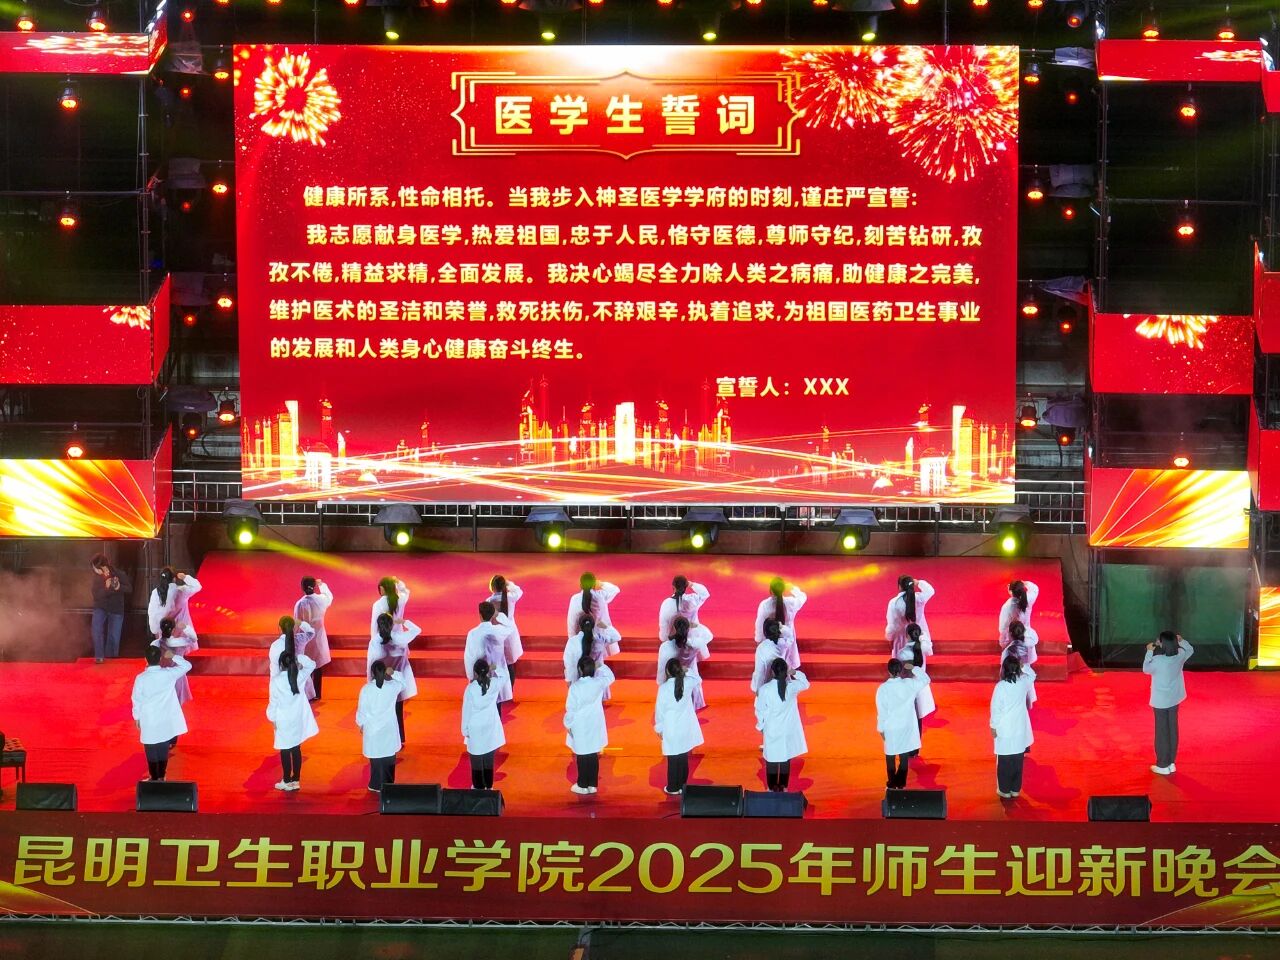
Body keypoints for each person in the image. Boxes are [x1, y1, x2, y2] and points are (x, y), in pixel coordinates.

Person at [131, 645, 192, 782]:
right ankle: (161, 776)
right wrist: (173, 656)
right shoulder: (168, 674)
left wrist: (137, 717)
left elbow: (136, 699)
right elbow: (187, 666)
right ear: (160, 658)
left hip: (149, 718)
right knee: (163, 745)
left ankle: (153, 777)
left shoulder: (141, 678)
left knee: (150, 746)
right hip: (165, 717)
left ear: (145, 659)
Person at [267, 645, 317, 791]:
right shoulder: (299, 676)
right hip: (297, 719)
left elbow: (273, 703)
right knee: (296, 748)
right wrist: (298, 657)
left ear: (281, 665)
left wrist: (272, 718)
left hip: (283, 719)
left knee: (285, 749)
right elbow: (311, 664)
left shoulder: (276, 681)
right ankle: (295, 780)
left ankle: (287, 780)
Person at [755, 658, 810, 792]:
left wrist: (760, 726)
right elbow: (806, 683)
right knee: (785, 757)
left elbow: (760, 709)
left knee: (772, 759)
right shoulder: (792, 687)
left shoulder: (765, 689)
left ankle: (771, 789)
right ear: (786, 671)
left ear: (772, 672)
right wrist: (794, 672)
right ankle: (784, 787)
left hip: (772, 730)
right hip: (787, 730)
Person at [875, 658, 930, 790]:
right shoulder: (909, 684)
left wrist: (880, 729)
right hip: (906, 726)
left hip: (890, 727)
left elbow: (882, 711)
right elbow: (926, 679)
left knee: (890, 755)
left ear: (888, 671)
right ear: (901, 671)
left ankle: (892, 784)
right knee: (904, 755)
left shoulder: (883, 689)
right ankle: (900, 784)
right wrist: (913, 668)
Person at [1144, 631, 1194, 775]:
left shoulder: (1158, 660)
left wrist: (1149, 652)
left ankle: (1162, 764)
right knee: (1172, 729)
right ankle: (1171, 762)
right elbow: (1190, 650)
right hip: (1174, 699)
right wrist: (1182, 641)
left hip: (1161, 701)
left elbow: (1146, 668)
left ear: (1162, 644)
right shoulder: (1180, 655)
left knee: (1162, 732)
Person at [368, 612, 421, 745]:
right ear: (391, 625)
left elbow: (371, 664)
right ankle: (399, 738)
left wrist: (370, 683)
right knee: (397, 712)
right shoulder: (400, 638)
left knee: (383, 712)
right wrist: (403, 622)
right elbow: (417, 630)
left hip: (381, 683)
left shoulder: (375, 642)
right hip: (398, 683)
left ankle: (385, 740)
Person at [565, 656, 615, 795]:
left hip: (580, 723)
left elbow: (571, 708)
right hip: (594, 722)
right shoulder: (598, 683)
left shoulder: (575, 687)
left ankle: (582, 784)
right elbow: (610, 676)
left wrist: (568, 724)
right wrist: (601, 665)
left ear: (580, 670)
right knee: (593, 752)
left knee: (582, 754)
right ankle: (592, 784)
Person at [990, 654, 1036, 798]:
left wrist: (993, 725)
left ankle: (1004, 790)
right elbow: (1033, 675)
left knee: (1004, 760)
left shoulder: (1001, 687)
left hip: (1004, 728)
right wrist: (1024, 667)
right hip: (1020, 728)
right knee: (1017, 759)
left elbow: (996, 709)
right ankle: (1015, 789)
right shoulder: (1023, 683)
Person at [655, 659, 703, 795]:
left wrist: (659, 727)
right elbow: (697, 679)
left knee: (673, 758)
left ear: (667, 672)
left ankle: (673, 787)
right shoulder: (687, 683)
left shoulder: (663, 688)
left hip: (671, 726)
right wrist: (688, 670)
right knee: (683, 756)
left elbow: (660, 710)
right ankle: (682, 785)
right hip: (685, 726)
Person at [356, 661, 403, 793]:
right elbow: (403, 682)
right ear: (385, 671)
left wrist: (361, 724)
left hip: (372, 729)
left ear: (372, 673)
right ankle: (388, 784)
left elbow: (362, 710)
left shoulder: (366, 689)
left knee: (375, 758)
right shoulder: (392, 686)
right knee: (389, 757)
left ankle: (375, 784)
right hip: (389, 729)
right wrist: (394, 673)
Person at [461, 660, 504, 790]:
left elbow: (466, 710)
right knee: (489, 759)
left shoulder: (471, 689)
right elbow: (504, 676)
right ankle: (489, 788)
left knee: (476, 761)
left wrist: (464, 730)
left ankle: (478, 789)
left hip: (475, 728)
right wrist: (495, 667)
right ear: (487, 671)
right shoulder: (494, 684)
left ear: (475, 673)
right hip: (490, 727)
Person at [464, 602, 515, 707]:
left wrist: (471, 676)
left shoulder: (472, 633)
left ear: (480, 615)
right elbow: (511, 627)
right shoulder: (499, 631)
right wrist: (498, 615)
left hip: (480, 675)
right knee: (496, 705)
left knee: (481, 705)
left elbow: (469, 657)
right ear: (492, 615)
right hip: (496, 674)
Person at [657, 616, 711, 710]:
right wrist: (696, 626)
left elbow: (662, 667)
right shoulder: (694, 644)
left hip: (674, 680)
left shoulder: (667, 646)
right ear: (688, 628)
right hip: (690, 676)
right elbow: (708, 636)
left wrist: (661, 682)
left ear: (674, 628)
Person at [294, 577, 333, 701]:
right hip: (319, 635)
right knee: (318, 665)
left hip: (306, 638)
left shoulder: (300, 604)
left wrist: (295, 639)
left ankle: (308, 693)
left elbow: (297, 623)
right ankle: (317, 693)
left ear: (302, 587)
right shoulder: (321, 600)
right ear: (314, 586)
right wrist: (322, 585)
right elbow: (329, 596)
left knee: (306, 665)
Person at [753, 578, 807, 670]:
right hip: (787, 640)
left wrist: (758, 640)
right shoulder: (790, 603)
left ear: (770, 590)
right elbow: (802, 597)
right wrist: (793, 589)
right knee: (787, 662)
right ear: (783, 589)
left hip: (770, 640)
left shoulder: (765, 605)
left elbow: (759, 624)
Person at [487, 575, 525, 698]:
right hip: (509, 636)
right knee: (509, 665)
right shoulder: (510, 597)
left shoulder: (489, 601)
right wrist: (509, 583)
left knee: (496, 665)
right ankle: (510, 691)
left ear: (492, 587)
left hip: (496, 637)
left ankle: (498, 692)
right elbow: (519, 590)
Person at [900, 624, 936, 749]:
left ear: (907, 635)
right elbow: (928, 647)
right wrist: (923, 636)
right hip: (919, 687)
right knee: (918, 717)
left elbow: (905, 672)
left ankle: (908, 746)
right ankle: (915, 748)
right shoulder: (922, 648)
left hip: (908, 688)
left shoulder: (904, 652)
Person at [90, 554, 132, 663]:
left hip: (116, 607)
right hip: (101, 606)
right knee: (96, 629)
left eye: (95, 568)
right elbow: (96, 595)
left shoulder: (118, 573)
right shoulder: (96, 578)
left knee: (114, 635)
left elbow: (129, 588)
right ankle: (99, 656)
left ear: (103, 567)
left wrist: (118, 587)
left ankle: (111, 660)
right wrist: (106, 588)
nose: (94, 570)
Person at [562, 614, 615, 700]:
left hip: (577, 680)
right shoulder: (599, 639)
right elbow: (616, 637)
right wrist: (605, 626)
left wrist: (569, 680)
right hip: (596, 678)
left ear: (579, 626)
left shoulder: (572, 641)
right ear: (593, 625)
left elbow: (568, 663)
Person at [567, 573, 622, 655]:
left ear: (581, 585)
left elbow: (572, 623)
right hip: (600, 632)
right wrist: (601, 584)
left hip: (583, 638)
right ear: (594, 584)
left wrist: (572, 642)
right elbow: (615, 589)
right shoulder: (600, 596)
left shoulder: (575, 599)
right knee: (611, 632)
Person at [147, 567, 202, 647]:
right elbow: (197, 586)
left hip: (164, 632)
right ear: (174, 579)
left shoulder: (156, 593)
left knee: (167, 652)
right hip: (182, 631)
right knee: (182, 651)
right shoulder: (181, 591)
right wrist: (184, 577)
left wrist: (155, 630)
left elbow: (152, 613)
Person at [886, 575, 934, 661]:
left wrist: (890, 637)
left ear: (900, 586)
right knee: (917, 664)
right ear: (912, 584)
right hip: (917, 636)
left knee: (902, 664)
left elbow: (892, 626)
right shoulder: (919, 599)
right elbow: (930, 591)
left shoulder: (894, 603)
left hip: (901, 639)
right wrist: (918, 583)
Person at [150, 618, 196, 705]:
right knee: (176, 703)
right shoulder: (180, 642)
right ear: (173, 630)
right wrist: (185, 627)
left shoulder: (154, 644)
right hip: (177, 676)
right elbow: (193, 639)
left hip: (161, 676)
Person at [658, 576, 713, 649]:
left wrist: (665, 639)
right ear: (686, 586)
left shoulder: (666, 603)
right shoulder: (692, 600)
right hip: (691, 638)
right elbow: (705, 594)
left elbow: (663, 625)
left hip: (672, 640)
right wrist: (692, 584)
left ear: (673, 587)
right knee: (707, 634)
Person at [270, 615, 317, 698]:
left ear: (279, 628)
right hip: (304, 685)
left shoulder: (275, 645)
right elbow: (311, 632)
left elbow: (275, 669)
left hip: (284, 688)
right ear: (294, 627)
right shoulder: (300, 638)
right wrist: (300, 623)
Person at [751, 619, 797, 692]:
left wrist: (758, 689)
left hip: (766, 684)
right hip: (781, 683)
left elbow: (760, 671)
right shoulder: (783, 643)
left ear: (765, 632)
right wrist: (781, 627)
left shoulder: (761, 647)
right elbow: (790, 636)